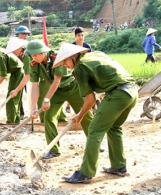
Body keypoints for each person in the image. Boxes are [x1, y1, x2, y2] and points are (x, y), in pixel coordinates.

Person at [53, 44, 138, 183]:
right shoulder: (95, 54)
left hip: (119, 94)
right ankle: (119, 166)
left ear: (73, 57)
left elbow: (90, 100)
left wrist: (79, 116)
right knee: (114, 127)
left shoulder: (80, 67)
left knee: (94, 130)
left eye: (65, 62)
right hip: (132, 92)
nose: (66, 67)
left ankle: (85, 173)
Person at [26, 40, 93, 159]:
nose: (33, 57)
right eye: (31, 55)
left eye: (35, 55)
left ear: (43, 52)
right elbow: (35, 85)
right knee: (48, 116)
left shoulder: (57, 57)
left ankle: (94, 143)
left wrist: (46, 99)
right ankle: (53, 149)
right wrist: (33, 108)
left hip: (72, 87)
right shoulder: (34, 64)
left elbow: (57, 80)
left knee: (86, 115)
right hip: (57, 92)